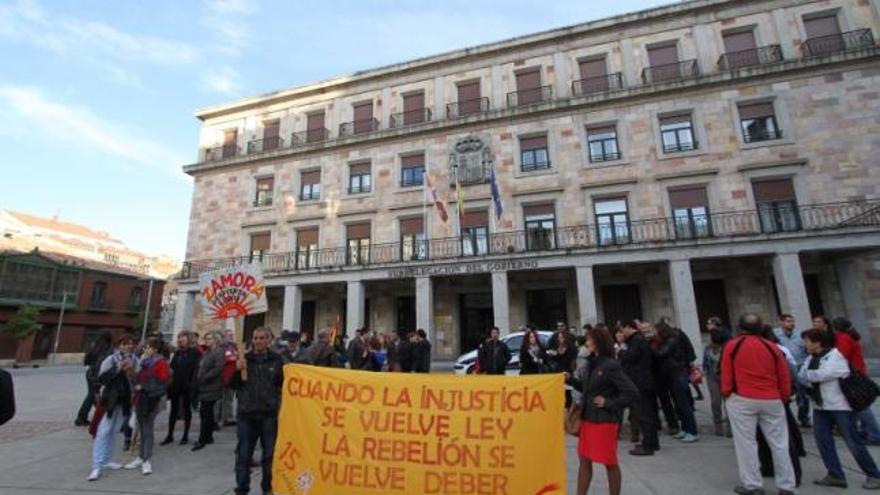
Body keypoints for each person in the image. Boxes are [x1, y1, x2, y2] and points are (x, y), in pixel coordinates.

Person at [721, 314, 796, 495]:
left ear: (740, 327)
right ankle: (786, 486)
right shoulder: (772, 347)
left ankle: (753, 485)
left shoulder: (733, 345)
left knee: (746, 443)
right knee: (779, 444)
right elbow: (783, 374)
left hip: (743, 398)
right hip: (772, 399)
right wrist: (783, 396)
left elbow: (726, 372)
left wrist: (727, 393)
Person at [800, 327, 880, 490]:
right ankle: (835, 474)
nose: (805, 344)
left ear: (817, 342)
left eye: (807, 341)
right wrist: (812, 375)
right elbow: (802, 376)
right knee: (823, 441)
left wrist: (811, 375)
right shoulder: (811, 358)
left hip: (839, 406)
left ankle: (873, 474)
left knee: (853, 441)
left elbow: (825, 374)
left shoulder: (835, 356)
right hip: (821, 406)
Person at [566, 326, 637, 495]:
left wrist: (609, 403)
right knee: (584, 461)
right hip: (588, 420)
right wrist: (571, 380)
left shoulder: (610, 365)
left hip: (604, 421)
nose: (587, 342)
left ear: (598, 342)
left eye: (590, 339)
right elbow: (588, 388)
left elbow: (631, 392)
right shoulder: (593, 363)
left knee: (609, 462)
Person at [231, 327, 285, 495]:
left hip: (268, 414)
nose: (258, 341)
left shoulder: (276, 360)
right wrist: (237, 371)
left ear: (269, 340)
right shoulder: (244, 359)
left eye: (262, 338)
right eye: (255, 338)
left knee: (269, 455)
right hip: (246, 414)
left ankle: (267, 487)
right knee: (244, 454)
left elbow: (283, 384)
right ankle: (242, 487)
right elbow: (233, 385)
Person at [88, 334, 139, 481]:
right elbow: (101, 378)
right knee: (103, 431)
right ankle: (96, 465)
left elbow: (138, 378)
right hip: (110, 400)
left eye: (130, 344)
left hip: (124, 401)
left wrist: (131, 372)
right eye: (125, 344)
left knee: (114, 430)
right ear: (119, 346)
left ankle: (107, 459)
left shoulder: (135, 360)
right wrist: (118, 368)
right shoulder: (111, 359)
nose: (128, 346)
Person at [830, 317, 880, 445]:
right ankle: (866, 431)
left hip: (853, 375)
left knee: (861, 406)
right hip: (857, 372)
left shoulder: (843, 338)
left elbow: (841, 356)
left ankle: (873, 434)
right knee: (858, 405)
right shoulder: (848, 336)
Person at [124, 336, 170, 475]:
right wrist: (131, 372)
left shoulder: (160, 362)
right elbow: (137, 379)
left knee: (147, 430)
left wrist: (143, 387)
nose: (146, 350)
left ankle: (147, 459)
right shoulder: (144, 361)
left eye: (149, 347)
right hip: (140, 399)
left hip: (151, 400)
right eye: (145, 347)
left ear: (155, 349)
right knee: (141, 430)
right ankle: (141, 456)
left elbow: (163, 382)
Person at [616, 320, 659, 456]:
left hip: (641, 382)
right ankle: (651, 442)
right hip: (643, 381)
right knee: (647, 414)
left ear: (628, 327)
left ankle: (648, 445)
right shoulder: (637, 340)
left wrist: (621, 350)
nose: (622, 334)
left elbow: (631, 357)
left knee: (644, 414)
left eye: (622, 330)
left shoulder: (637, 340)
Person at [653, 320, 698, 442]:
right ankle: (685, 428)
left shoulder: (672, 340)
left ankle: (692, 431)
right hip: (672, 374)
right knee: (678, 404)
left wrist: (651, 346)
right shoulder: (668, 340)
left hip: (678, 373)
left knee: (684, 404)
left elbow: (661, 354)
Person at [162, 331, 200, 446]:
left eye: (183, 337)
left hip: (187, 386)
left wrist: (192, 385)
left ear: (188, 339)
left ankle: (185, 435)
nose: (180, 339)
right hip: (176, 385)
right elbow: (172, 368)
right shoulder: (178, 353)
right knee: (173, 410)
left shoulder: (195, 353)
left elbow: (196, 370)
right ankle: (170, 434)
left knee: (186, 410)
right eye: (179, 337)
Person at [773, 314, 810, 428]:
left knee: (803, 394)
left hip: (799, 366)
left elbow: (806, 349)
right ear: (781, 322)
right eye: (788, 321)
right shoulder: (775, 335)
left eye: (792, 321)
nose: (791, 324)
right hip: (784, 368)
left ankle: (803, 417)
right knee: (787, 393)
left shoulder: (799, 335)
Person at [192, 330, 226, 451]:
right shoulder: (207, 352)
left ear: (216, 340)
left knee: (206, 412)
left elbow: (219, 368)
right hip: (204, 386)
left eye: (209, 339)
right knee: (206, 412)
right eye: (206, 339)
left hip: (211, 386)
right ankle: (208, 436)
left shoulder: (218, 352)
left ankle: (202, 439)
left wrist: (205, 377)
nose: (207, 341)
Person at [76, 331, 114, 427]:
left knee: (92, 394)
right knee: (92, 395)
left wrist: (88, 368)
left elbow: (86, 359)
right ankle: (81, 418)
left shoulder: (94, 346)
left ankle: (88, 416)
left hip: (90, 373)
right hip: (97, 373)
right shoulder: (107, 348)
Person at [703, 317, 731, 437]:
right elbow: (706, 361)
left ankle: (730, 427)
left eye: (709, 323)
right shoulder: (708, 348)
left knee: (728, 402)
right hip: (711, 375)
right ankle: (718, 425)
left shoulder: (727, 345)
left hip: (724, 375)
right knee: (715, 402)